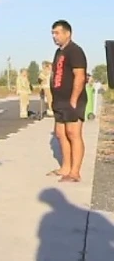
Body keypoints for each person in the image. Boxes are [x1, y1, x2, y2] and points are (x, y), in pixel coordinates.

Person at [46, 20, 88, 183]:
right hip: (59, 101)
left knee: (73, 134)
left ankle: (75, 172)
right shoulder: (59, 53)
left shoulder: (75, 51)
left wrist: (73, 99)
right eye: (53, 34)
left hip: (73, 100)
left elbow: (79, 76)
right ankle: (65, 167)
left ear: (67, 33)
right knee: (60, 134)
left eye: (57, 33)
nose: (54, 37)